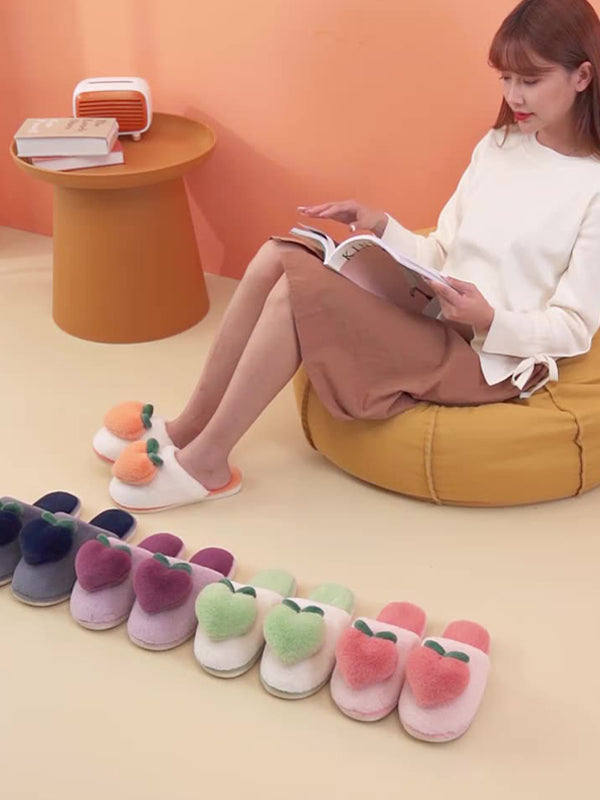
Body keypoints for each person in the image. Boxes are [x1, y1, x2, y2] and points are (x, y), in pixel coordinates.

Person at [94, 0, 600, 511]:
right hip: (437, 315)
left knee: (295, 298)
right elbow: (442, 250)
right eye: (505, 78)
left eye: (530, 80)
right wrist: (379, 225)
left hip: (490, 360)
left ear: (582, 76)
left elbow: (575, 326)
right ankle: (189, 426)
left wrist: (489, 317)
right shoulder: (499, 146)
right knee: (277, 254)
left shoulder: (593, 187)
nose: (513, 96)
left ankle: (208, 463)